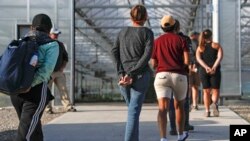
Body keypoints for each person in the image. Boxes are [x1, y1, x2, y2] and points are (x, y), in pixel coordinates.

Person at [10, 13, 59, 141]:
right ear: (49, 29)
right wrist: (29, 85)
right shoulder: (52, 45)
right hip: (35, 92)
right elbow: (46, 70)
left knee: (32, 126)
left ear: (32, 27)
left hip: (16, 92)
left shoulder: (21, 41)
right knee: (25, 133)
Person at [110, 4, 154, 141]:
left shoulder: (122, 32)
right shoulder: (147, 33)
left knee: (132, 111)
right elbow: (146, 56)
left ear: (131, 17)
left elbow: (114, 52)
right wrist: (132, 74)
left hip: (123, 79)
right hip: (139, 77)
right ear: (146, 17)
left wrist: (121, 73)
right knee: (133, 113)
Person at [151, 15, 189, 141]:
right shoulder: (181, 40)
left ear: (162, 27)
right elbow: (187, 61)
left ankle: (163, 138)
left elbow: (153, 63)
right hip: (179, 76)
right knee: (179, 106)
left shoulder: (156, 42)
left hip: (162, 76)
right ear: (175, 26)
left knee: (162, 108)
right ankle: (180, 135)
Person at [168, 19, 194, 136]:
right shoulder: (185, 39)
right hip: (182, 72)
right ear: (178, 27)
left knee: (170, 101)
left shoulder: (163, 39)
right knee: (184, 100)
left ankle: (173, 127)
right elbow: (190, 56)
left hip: (166, 72)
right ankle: (184, 125)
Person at [45, 27, 76, 113]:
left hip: (58, 71)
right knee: (47, 90)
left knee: (63, 89)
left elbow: (65, 58)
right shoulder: (45, 44)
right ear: (50, 34)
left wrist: (62, 68)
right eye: (54, 34)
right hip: (48, 72)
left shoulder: (60, 45)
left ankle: (68, 107)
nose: (56, 36)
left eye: (57, 34)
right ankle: (48, 109)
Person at [196, 29, 223, 117]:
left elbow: (199, 59)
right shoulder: (216, 45)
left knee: (206, 91)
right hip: (215, 70)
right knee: (215, 90)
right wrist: (214, 67)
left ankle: (207, 111)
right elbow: (219, 57)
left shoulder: (200, 47)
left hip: (204, 71)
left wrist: (206, 67)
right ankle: (214, 103)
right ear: (211, 36)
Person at [189, 31, 200, 111]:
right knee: (194, 86)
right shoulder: (194, 43)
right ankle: (194, 104)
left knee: (192, 86)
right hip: (193, 66)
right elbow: (194, 54)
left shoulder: (197, 43)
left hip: (190, 66)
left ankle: (193, 104)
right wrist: (194, 63)